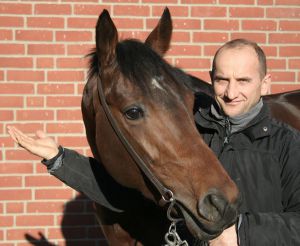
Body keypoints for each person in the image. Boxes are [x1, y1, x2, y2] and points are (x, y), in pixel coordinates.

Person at [7, 39, 300, 246]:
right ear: (210, 79)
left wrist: (242, 234)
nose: (230, 92)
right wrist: (59, 158)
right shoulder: (192, 132)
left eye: (244, 81)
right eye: (222, 80)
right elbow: (129, 196)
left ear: (265, 83)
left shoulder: (287, 144)